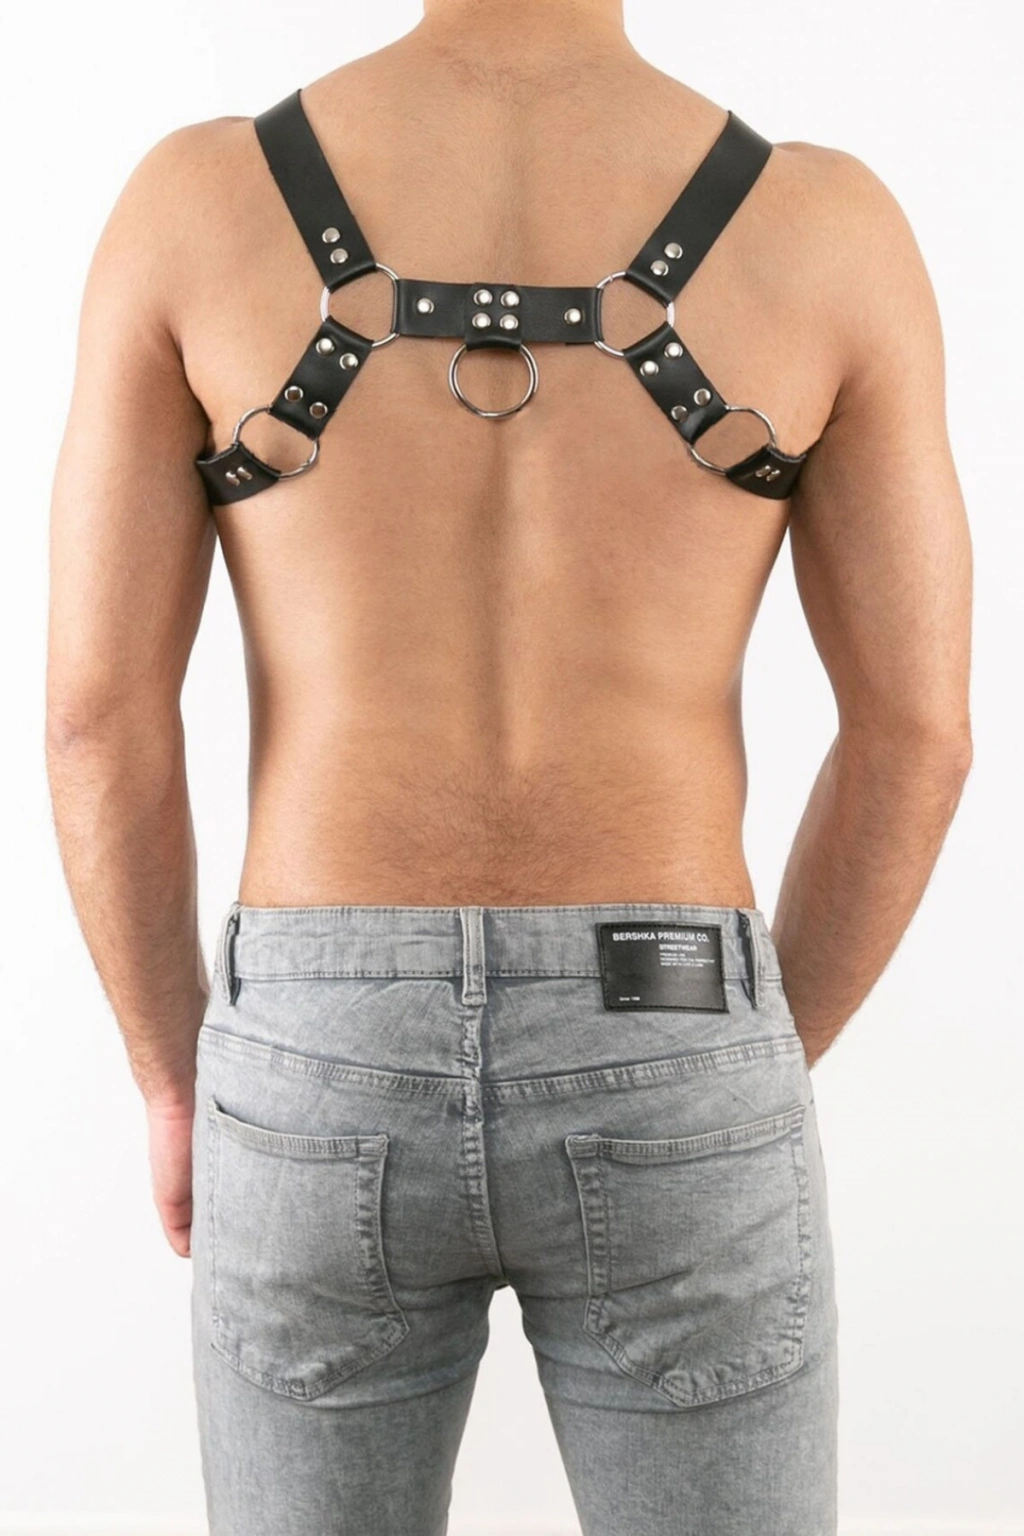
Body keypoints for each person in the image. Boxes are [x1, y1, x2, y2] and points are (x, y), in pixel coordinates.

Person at [45, 0, 973, 1531]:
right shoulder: (826, 228)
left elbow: (96, 714)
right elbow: (919, 734)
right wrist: (726, 1064)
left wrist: (166, 1073)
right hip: (673, 1004)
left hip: (315, 1046)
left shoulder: (197, 203)